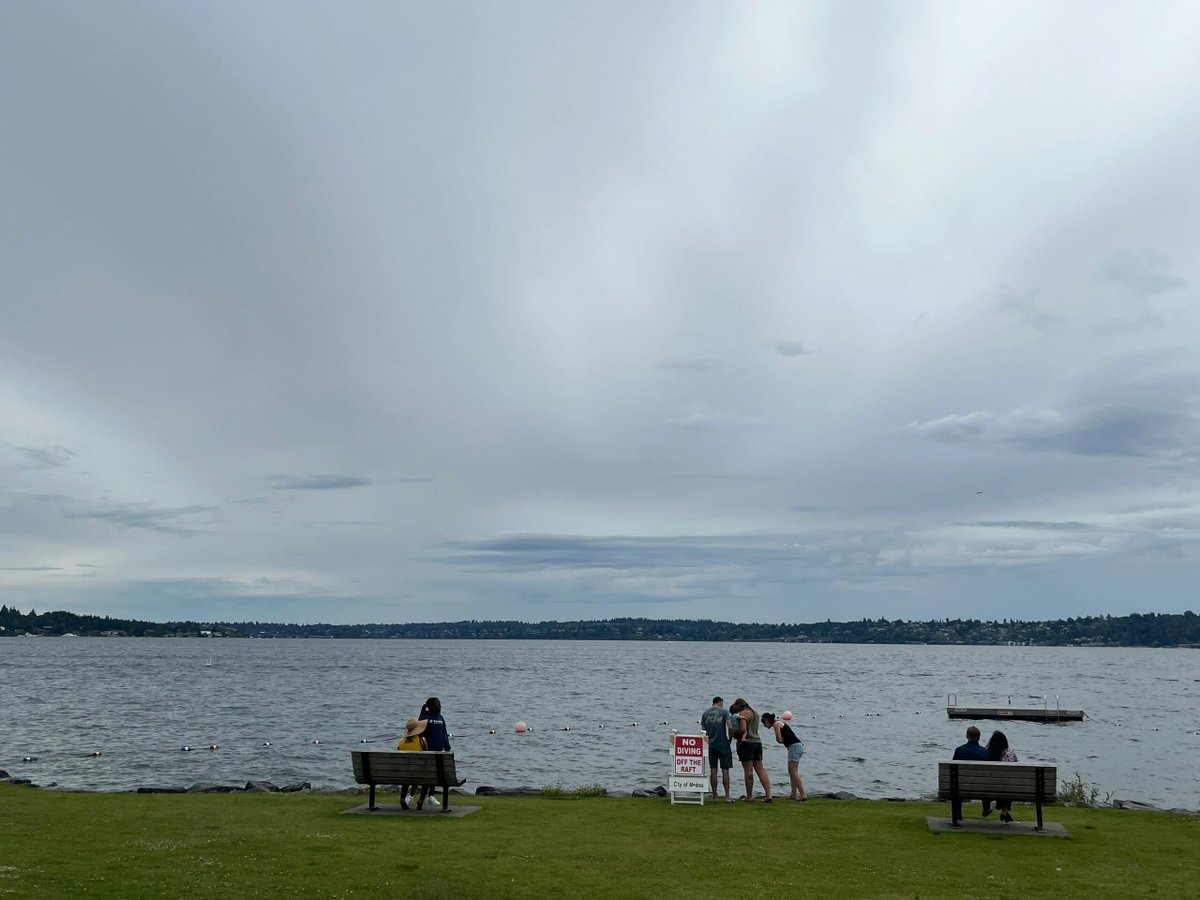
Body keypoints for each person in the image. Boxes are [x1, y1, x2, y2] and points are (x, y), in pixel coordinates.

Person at [729, 698, 772, 802]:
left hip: (746, 743)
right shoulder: (755, 713)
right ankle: (768, 794)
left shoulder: (744, 713)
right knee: (760, 769)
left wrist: (735, 733)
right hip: (757, 742)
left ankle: (749, 796)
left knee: (748, 771)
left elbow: (743, 729)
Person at [761, 712, 807, 801]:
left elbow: (779, 740)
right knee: (792, 772)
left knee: (793, 772)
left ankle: (803, 794)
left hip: (794, 747)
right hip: (797, 746)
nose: (764, 725)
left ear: (767, 720)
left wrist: (780, 738)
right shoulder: (779, 723)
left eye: (764, 722)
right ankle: (793, 794)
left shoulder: (776, 724)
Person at [950, 725, 990, 822]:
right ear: (979, 737)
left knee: (957, 783)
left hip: (960, 787)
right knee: (985, 781)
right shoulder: (985, 752)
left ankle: (958, 812)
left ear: (967, 736)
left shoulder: (959, 750)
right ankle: (986, 808)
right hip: (981, 788)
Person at [700, 696, 735, 803]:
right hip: (723, 743)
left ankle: (715, 795)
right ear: (720, 703)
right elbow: (729, 727)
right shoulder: (724, 712)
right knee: (725, 770)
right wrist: (730, 738)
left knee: (713, 770)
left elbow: (703, 729)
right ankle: (727, 796)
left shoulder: (705, 714)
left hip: (710, 744)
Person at [984, 730, 1019, 822]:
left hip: (989, 787)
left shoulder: (987, 754)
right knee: (1009, 783)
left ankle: (989, 807)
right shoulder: (1011, 754)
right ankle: (1004, 811)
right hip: (1008, 787)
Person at [396, 717, 427, 810]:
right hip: (419, 772)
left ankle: (402, 798)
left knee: (407, 776)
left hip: (405, 772)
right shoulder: (422, 741)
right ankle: (421, 799)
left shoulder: (401, 742)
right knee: (427, 777)